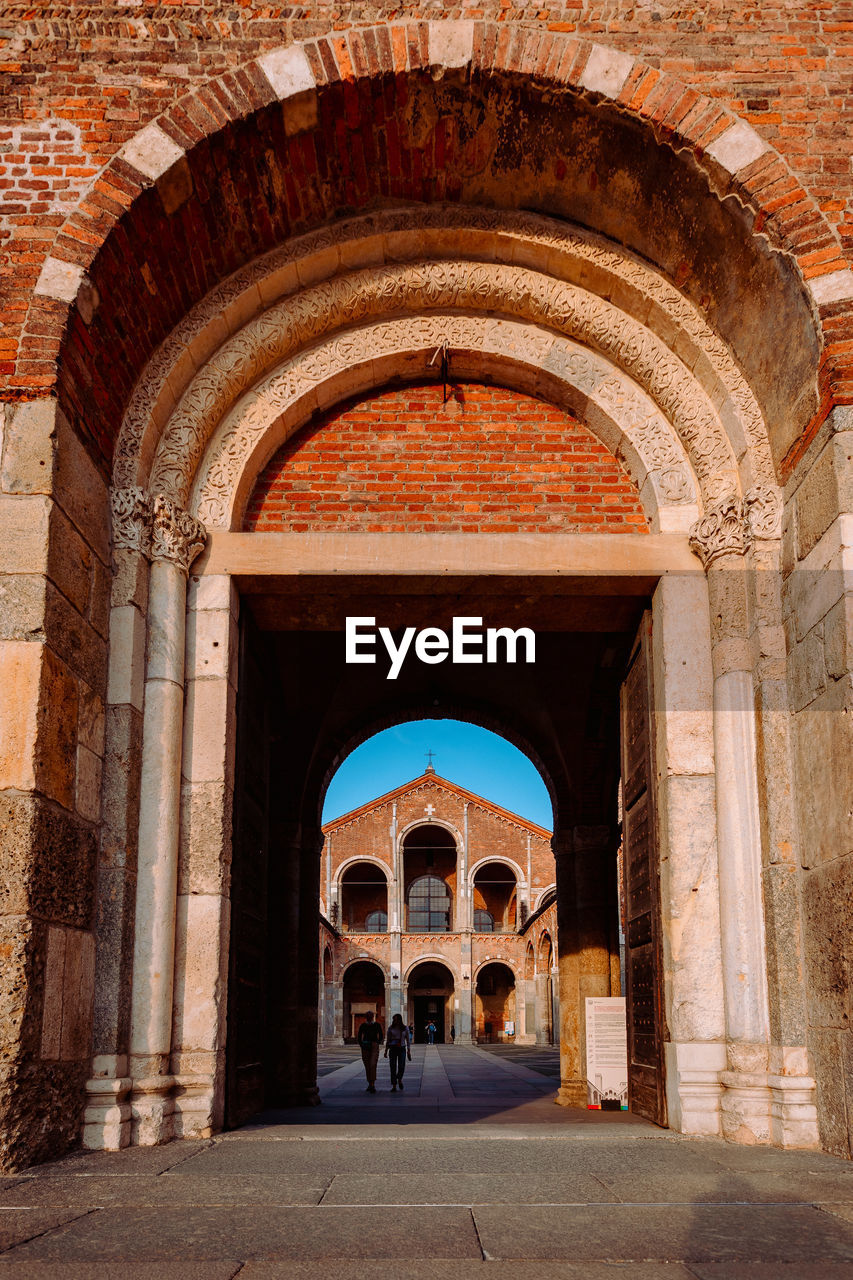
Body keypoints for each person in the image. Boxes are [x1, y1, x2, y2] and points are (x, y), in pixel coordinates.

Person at [384, 1013, 411, 1091]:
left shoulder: (405, 1028)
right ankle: (394, 1085)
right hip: (393, 1049)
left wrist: (409, 1050)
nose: (394, 1021)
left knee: (401, 1066)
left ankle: (399, 1079)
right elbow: (388, 1040)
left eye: (396, 1019)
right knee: (392, 1067)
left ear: (399, 1020)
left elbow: (408, 1040)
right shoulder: (390, 1028)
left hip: (402, 1048)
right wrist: (386, 1051)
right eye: (394, 1019)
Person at [357, 1010, 383, 1093]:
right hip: (365, 1046)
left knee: (372, 1064)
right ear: (366, 1017)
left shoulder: (377, 1025)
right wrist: (361, 1044)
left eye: (370, 1016)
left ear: (372, 1017)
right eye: (367, 1016)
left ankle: (372, 1084)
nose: (369, 1017)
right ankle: (370, 1083)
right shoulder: (363, 1025)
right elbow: (359, 1036)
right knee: (367, 1065)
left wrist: (377, 1042)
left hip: (374, 1045)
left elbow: (381, 1034)